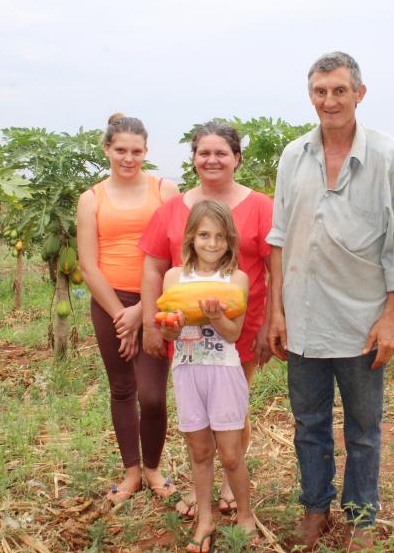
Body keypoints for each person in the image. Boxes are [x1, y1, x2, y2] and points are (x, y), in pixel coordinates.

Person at [266, 51, 394, 551]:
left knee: (363, 428)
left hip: (361, 322)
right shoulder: (295, 156)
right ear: (311, 95)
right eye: (320, 91)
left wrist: (391, 319)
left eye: (338, 90)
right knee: (308, 424)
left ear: (359, 93)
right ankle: (314, 509)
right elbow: (279, 239)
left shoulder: (388, 156)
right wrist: (277, 310)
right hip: (304, 319)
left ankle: (359, 515)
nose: (329, 100)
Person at [139, 121, 274, 518]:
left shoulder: (261, 205)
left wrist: (272, 322)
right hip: (185, 331)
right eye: (204, 153)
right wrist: (151, 322)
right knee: (199, 418)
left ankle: (232, 486)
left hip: (241, 324)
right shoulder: (170, 210)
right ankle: (208, 490)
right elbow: (153, 270)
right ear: (194, 158)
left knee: (234, 408)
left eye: (221, 153)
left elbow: (276, 266)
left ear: (237, 159)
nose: (212, 159)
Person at [76, 113, 180, 506]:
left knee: (152, 395)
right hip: (109, 303)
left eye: (136, 151)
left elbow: (176, 255)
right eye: (120, 150)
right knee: (122, 388)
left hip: (156, 302)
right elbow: (88, 264)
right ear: (107, 149)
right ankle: (132, 472)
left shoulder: (164, 190)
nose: (128, 158)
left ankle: (153, 468)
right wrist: (121, 312)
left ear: (146, 151)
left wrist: (142, 311)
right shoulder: (91, 199)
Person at [157, 200, 257, 552]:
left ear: (230, 240)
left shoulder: (236, 279)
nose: (212, 243)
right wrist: (171, 326)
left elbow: (233, 334)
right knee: (199, 451)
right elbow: (167, 335)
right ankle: (205, 518)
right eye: (203, 235)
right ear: (191, 238)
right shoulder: (173, 277)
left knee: (230, 454)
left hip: (224, 372)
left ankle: (245, 515)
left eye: (219, 236)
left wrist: (214, 316)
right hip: (186, 371)